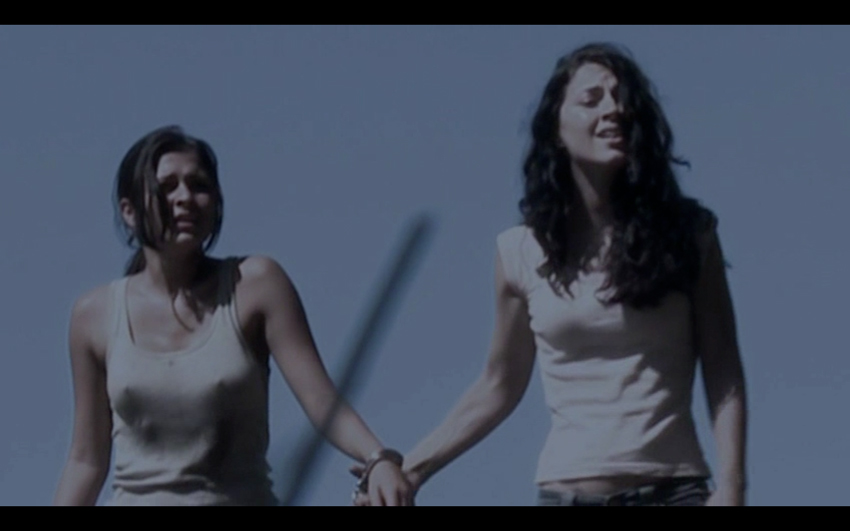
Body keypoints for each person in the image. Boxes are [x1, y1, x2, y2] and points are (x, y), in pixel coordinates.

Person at [352, 42, 747, 506]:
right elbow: (499, 384)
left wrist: (732, 485)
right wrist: (410, 471)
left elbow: (723, 364)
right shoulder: (520, 252)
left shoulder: (689, 235)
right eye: (591, 99)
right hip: (567, 494)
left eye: (622, 99)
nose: (613, 110)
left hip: (673, 491)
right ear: (557, 128)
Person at [53, 125, 414, 506]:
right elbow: (86, 460)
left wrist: (377, 459)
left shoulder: (256, 285)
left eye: (198, 185)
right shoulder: (94, 316)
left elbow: (321, 400)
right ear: (129, 211)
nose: (184, 198)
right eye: (167, 186)